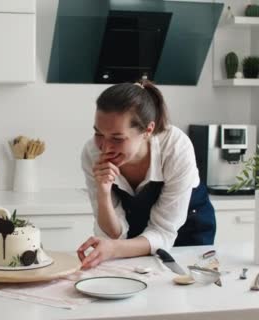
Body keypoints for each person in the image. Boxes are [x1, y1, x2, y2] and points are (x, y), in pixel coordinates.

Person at [77, 80, 216, 270]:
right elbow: (113, 234)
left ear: (147, 130)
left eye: (117, 138)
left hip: (188, 233)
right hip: (134, 238)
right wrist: (103, 193)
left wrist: (115, 248)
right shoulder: (92, 153)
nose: (105, 147)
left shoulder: (175, 148)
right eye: (98, 133)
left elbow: (163, 232)